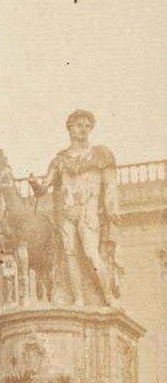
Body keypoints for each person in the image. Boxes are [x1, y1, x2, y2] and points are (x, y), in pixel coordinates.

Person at [41, 110, 121, 306]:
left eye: (87, 126)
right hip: (66, 212)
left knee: (92, 254)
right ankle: (78, 300)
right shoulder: (60, 160)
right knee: (70, 256)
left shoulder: (101, 154)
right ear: (69, 128)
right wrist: (36, 184)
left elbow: (110, 185)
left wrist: (112, 208)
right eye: (79, 125)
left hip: (88, 210)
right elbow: (43, 187)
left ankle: (109, 298)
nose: (83, 129)